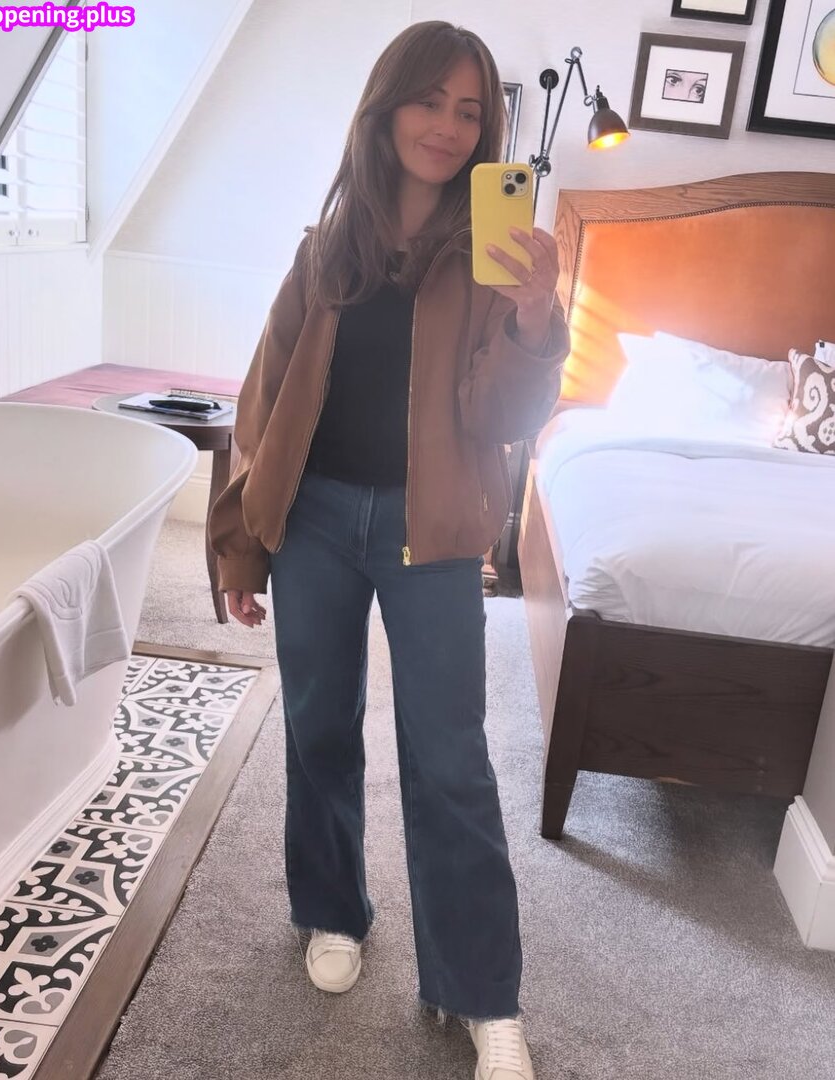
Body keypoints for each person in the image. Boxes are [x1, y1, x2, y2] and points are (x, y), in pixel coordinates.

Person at [208, 20, 570, 1080]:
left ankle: (480, 991)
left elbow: (506, 418)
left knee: (450, 758)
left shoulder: (491, 259)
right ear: (384, 108)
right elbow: (263, 403)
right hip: (316, 520)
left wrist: (535, 317)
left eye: (469, 111)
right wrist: (240, 545)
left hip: (435, 531)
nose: (446, 128)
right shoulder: (325, 250)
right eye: (427, 101)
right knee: (318, 725)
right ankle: (332, 909)